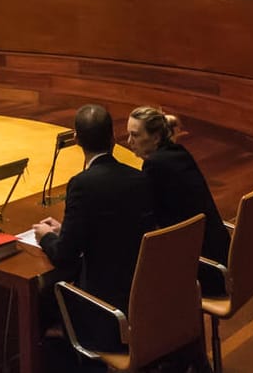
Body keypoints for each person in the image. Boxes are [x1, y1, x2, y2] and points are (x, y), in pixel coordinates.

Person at [31, 104, 153, 355]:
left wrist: (46, 238)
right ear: (112, 136)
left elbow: (64, 254)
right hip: (146, 302)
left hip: (106, 313)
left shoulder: (82, 184)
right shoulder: (139, 178)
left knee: (42, 292)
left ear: (76, 139)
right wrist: (68, 229)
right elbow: (114, 228)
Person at [125, 107, 229, 295]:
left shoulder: (154, 165)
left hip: (201, 271)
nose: (129, 141)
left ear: (156, 138)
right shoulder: (179, 152)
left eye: (135, 135)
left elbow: (145, 215)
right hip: (220, 259)